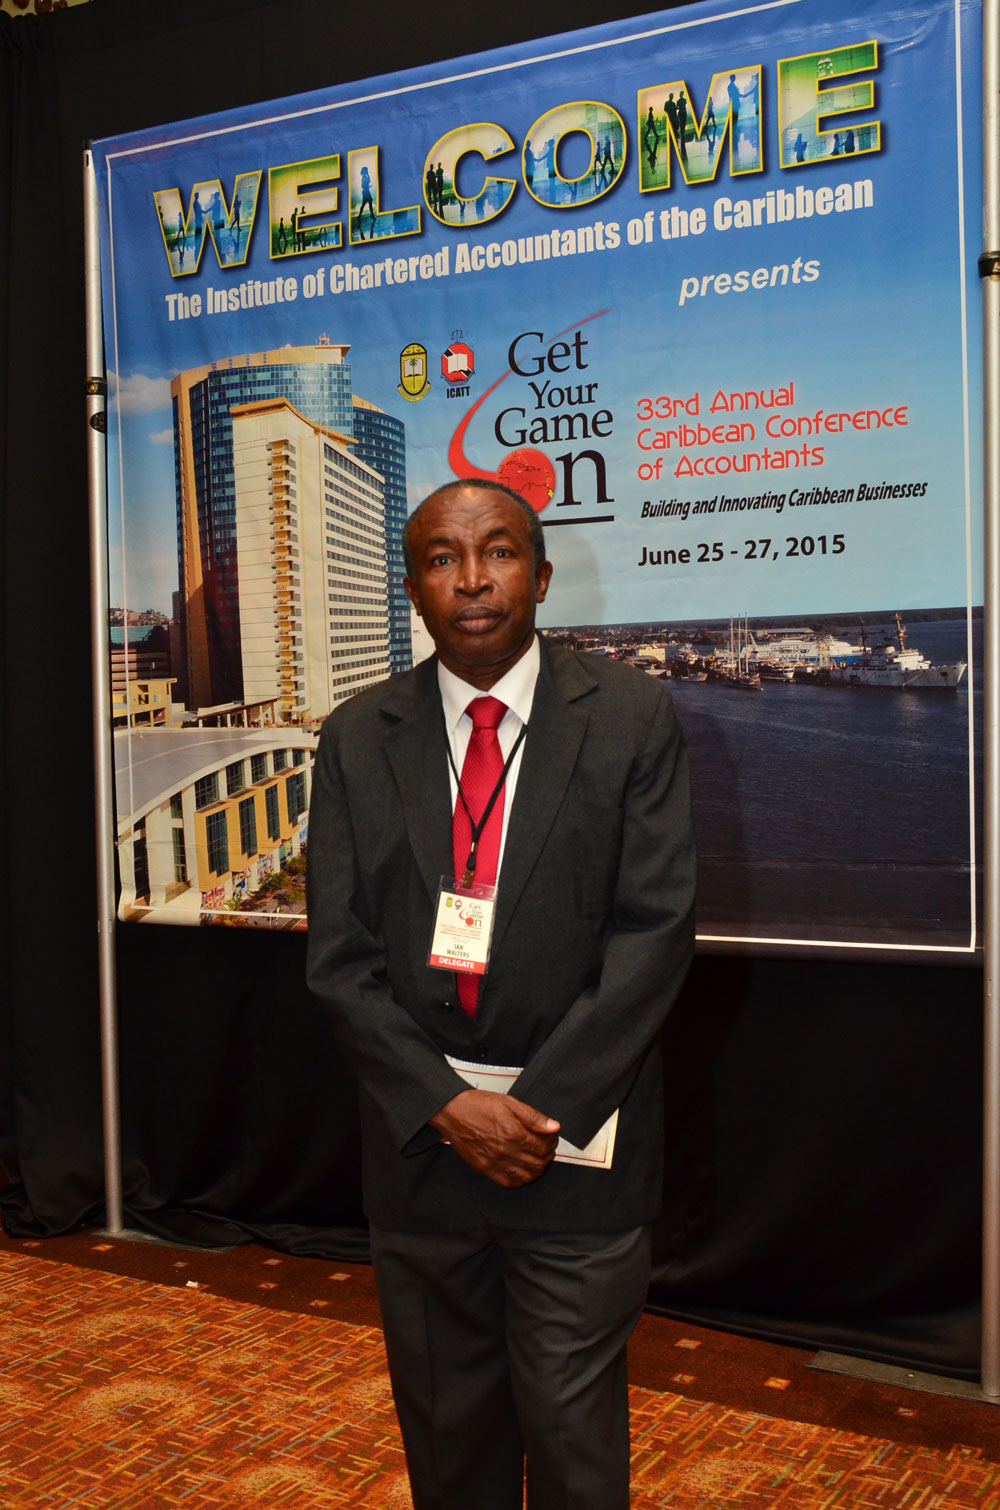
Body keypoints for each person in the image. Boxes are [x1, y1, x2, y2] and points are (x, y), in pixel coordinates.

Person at [306, 479, 696, 1510]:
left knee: (571, 1436)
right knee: (449, 1434)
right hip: (423, 1153)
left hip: (574, 1150)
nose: (472, 579)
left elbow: (653, 933)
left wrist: (535, 1112)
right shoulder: (356, 737)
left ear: (542, 576)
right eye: (442, 558)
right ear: (412, 588)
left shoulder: (630, 717)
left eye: (498, 552)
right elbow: (339, 958)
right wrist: (446, 1105)